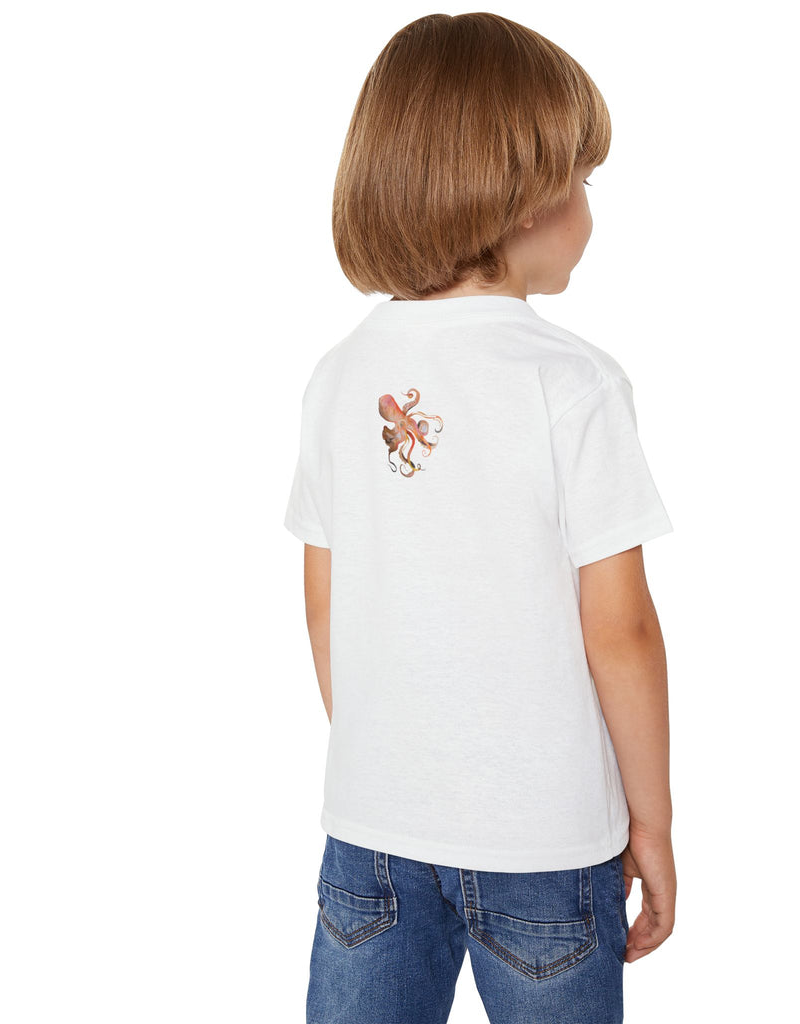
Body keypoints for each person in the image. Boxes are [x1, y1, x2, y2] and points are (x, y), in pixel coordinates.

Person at [284, 13, 677, 1023]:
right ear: (527, 197)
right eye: (583, 181)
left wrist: (397, 764)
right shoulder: (573, 383)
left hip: (371, 830)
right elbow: (622, 630)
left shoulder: (339, 377)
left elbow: (325, 604)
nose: (589, 210)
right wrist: (654, 822)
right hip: (545, 843)